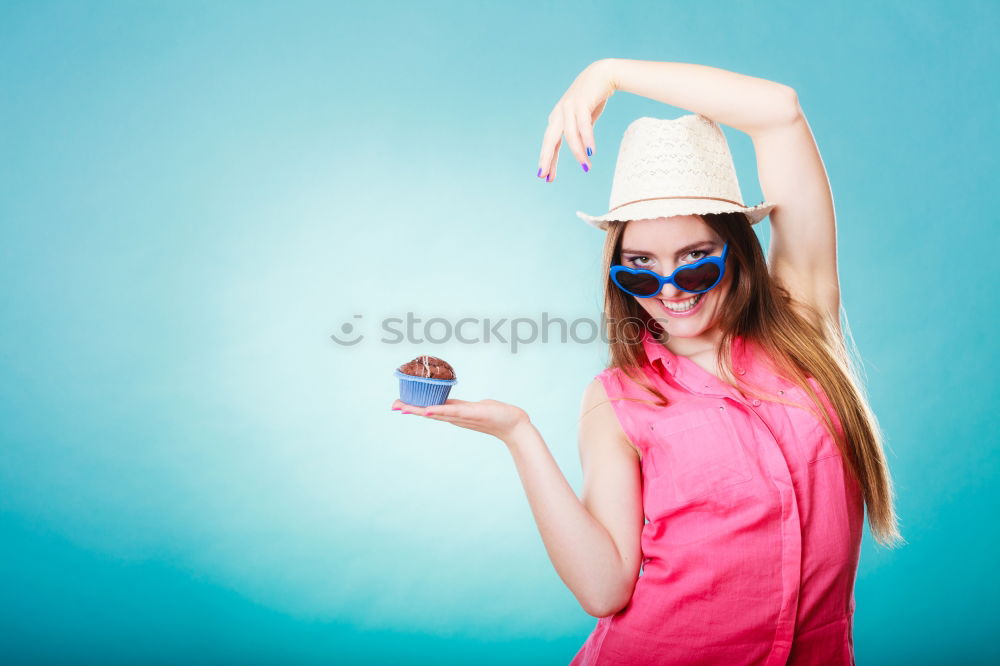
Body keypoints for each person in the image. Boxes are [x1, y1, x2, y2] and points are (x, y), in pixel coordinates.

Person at [391, 58, 904, 665]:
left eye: (695, 258)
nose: (670, 288)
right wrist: (518, 434)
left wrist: (610, 74)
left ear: (738, 252)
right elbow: (604, 588)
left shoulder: (804, 325)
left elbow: (780, 113)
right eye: (638, 265)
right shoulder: (618, 398)